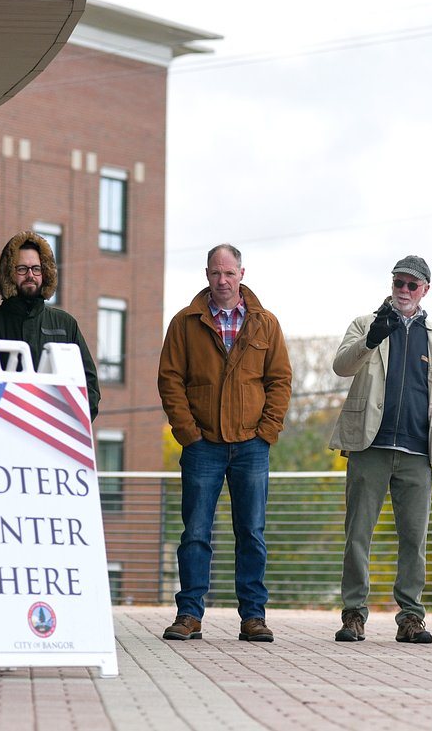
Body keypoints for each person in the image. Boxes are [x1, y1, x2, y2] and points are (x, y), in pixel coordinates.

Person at [158, 244, 292, 643]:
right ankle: (189, 614)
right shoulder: (185, 323)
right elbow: (170, 380)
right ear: (206, 275)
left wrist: (267, 431)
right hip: (203, 446)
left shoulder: (265, 323)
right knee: (195, 532)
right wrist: (188, 433)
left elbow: (280, 381)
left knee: (251, 532)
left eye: (229, 273)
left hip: (252, 445)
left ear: (242, 274)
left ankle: (253, 617)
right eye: (216, 273)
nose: (222, 280)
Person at [329, 255, 432, 644]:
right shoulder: (366, 324)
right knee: (358, 535)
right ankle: (353, 614)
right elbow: (341, 366)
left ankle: (411, 617)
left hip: (418, 451)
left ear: (425, 291)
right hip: (370, 444)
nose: (403, 290)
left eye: (411, 285)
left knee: (414, 539)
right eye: (398, 283)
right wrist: (371, 339)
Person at [0, 231, 100, 420]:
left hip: (54, 439)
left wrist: (71, 426)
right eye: (22, 269)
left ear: (46, 273)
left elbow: (89, 386)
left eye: (36, 269)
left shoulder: (65, 325)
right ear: (9, 272)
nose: (30, 275)